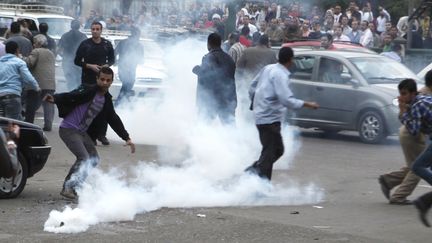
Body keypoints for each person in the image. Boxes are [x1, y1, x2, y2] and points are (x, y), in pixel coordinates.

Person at [43, 67, 135, 199]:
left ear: (111, 82)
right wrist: (55, 98)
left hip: (81, 132)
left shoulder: (106, 99)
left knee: (93, 159)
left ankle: (77, 186)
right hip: (68, 129)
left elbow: (113, 118)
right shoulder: (88, 90)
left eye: (108, 80)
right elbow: (72, 95)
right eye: (102, 79)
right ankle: (68, 187)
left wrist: (126, 137)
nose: (104, 82)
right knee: (84, 158)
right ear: (97, 79)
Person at [246, 47, 319, 180]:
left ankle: (256, 172)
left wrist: (256, 103)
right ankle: (257, 179)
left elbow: (252, 86)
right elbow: (286, 100)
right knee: (271, 152)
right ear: (291, 60)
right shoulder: (281, 74)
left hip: (263, 117)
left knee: (276, 150)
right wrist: (307, 104)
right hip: (270, 120)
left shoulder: (268, 68)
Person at [379, 72, 432, 205]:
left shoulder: (417, 104)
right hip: (416, 136)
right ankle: (389, 182)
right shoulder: (421, 99)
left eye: (404, 94)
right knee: (417, 166)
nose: (401, 97)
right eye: (401, 93)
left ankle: (393, 188)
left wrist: (402, 111)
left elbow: (414, 130)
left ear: (413, 93)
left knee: (417, 167)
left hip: (413, 135)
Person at [74, 21, 115, 145]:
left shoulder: (107, 44)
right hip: (88, 80)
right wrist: (89, 66)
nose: (95, 31)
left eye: (97, 29)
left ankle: (101, 135)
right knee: (88, 107)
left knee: (104, 107)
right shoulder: (85, 44)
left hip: (103, 81)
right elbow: (76, 61)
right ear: (90, 30)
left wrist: (107, 65)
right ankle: (88, 134)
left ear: (101, 30)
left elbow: (112, 59)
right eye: (93, 29)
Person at [192, 33, 237, 125]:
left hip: (212, 98)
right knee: (229, 126)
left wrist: (197, 70)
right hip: (228, 98)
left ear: (208, 44)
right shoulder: (229, 58)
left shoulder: (209, 57)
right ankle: (234, 140)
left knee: (203, 126)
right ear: (220, 43)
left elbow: (207, 77)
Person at [22, 34, 56, 131]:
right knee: (48, 104)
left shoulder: (36, 51)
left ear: (38, 43)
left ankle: (29, 124)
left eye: (34, 42)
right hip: (50, 83)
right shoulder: (51, 53)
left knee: (31, 104)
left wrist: (22, 58)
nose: (33, 44)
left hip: (37, 83)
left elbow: (29, 63)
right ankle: (48, 125)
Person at [0, 41, 40, 120]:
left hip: (1, 95)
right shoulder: (19, 62)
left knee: (6, 122)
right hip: (12, 96)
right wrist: (36, 87)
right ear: (17, 50)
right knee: (13, 125)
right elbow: (28, 78)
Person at [114, 26, 144, 105]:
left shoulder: (123, 42)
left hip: (126, 69)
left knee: (127, 86)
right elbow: (141, 60)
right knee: (127, 85)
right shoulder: (138, 45)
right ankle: (119, 103)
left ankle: (123, 103)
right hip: (127, 70)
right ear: (137, 34)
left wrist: (115, 62)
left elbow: (114, 53)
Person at [58, 19, 88, 91]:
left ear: (71, 26)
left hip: (67, 62)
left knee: (70, 81)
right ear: (79, 26)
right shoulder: (83, 36)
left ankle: (71, 95)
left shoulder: (65, 36)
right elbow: (87, 51)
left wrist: (64, 56)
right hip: (79, 63)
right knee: (78, 81)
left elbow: (59, 50)